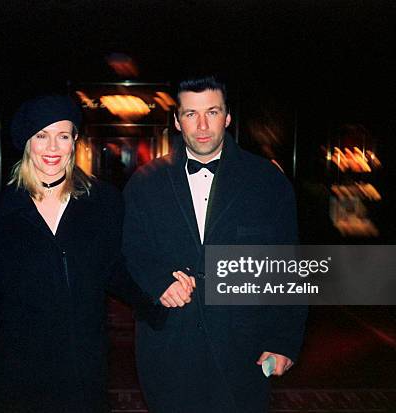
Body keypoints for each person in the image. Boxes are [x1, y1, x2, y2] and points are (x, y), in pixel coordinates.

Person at [0, 95, 167, 413]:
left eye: (63, 136)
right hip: (20, 367)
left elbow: (116, 269)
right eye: (42, 136)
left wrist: (160, 298)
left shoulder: (103, 202)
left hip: (83, 365)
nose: (52, 148)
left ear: (74, 140)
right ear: (27, 143)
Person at [122, 76, 308, 412]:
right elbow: (129, 253)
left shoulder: (267, 181)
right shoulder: (144, 183)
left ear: (228, 117)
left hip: (244, 348)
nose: (203, 125)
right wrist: (156, 280)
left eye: (212, 111)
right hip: (169, 346)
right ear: (177, 121)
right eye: (191, 114)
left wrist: (283, 341)